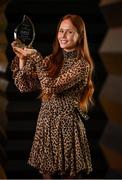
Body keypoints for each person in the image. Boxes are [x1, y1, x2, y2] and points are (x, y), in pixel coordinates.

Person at [11, 14, 94, 179]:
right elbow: (24, 86)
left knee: (70, 176)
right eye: (61, 31)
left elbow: (50, 87)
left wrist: (35, 57)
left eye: (69, 32)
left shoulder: (82, 66)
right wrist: (22, 59)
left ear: (80, 35)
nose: (63, 36)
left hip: (68, 128)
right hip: (46, 125)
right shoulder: (51, 60)